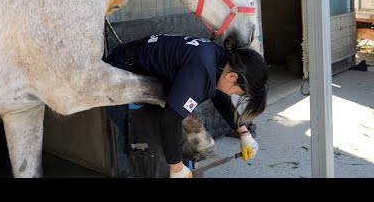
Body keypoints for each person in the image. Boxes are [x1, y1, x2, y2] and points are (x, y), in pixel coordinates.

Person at [103, 33, 269, 178]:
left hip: (147, 78)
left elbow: (221, 97)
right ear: (232, 77)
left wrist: (244, 133)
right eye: (237, 93)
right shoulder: (201, 72)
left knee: (172, 144)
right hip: (118, 76)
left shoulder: (220, 60)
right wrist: (176, 167)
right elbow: (170, 120)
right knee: (147, 148)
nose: (232, 95)